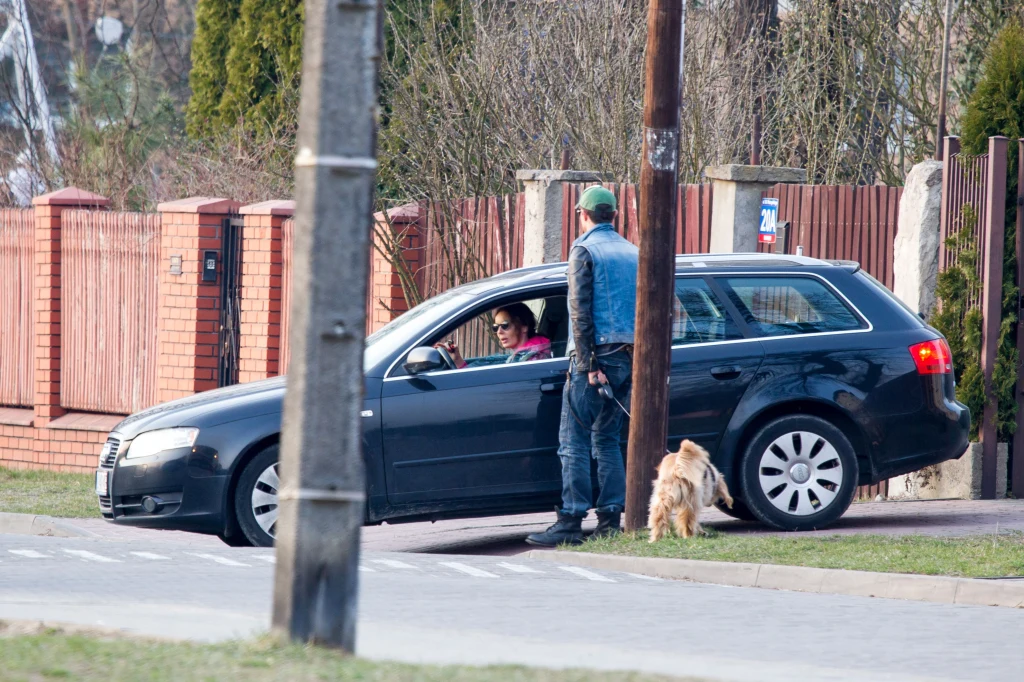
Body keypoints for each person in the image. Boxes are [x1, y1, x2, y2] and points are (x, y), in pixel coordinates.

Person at [526, 185, 638, 547]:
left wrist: (589, 363)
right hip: (626, 358)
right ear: (614, 215)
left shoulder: (583, 250)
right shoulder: (633, 253)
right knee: (607, 440)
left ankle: (570, 521)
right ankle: (609, 521)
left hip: (595, 359)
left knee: (572, 441)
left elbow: (579, 311)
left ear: (583, 215)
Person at [436, 302, 552, 368]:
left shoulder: (530, 359)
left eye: (505, 325)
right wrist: (458, 360)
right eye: (495, 327)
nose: (499, 332)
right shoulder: (523, 356)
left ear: (524, 326)